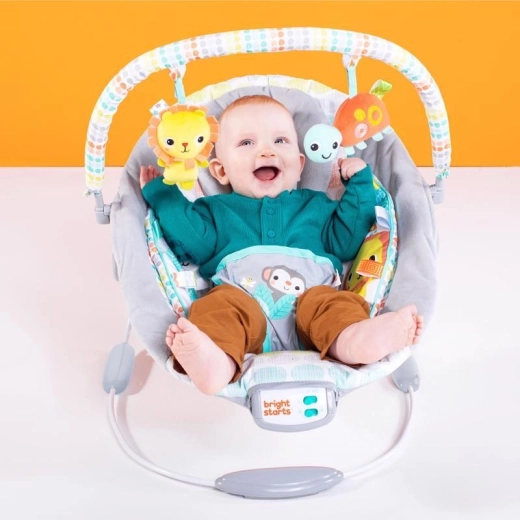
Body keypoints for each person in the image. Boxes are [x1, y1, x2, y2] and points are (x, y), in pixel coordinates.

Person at [140, 95, 423, 395]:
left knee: (337, 307)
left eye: (280, 141)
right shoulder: (217, 210)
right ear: (221, 171)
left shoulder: (315, 206)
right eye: (246, 143)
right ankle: (215, 365)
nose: (266, 151)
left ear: (299, 165)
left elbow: (348, 240)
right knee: (217, 309)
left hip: (314, 304)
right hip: (241, 303)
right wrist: (162, 194)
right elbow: (190, 237)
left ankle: (360, 341)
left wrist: (359, 185)